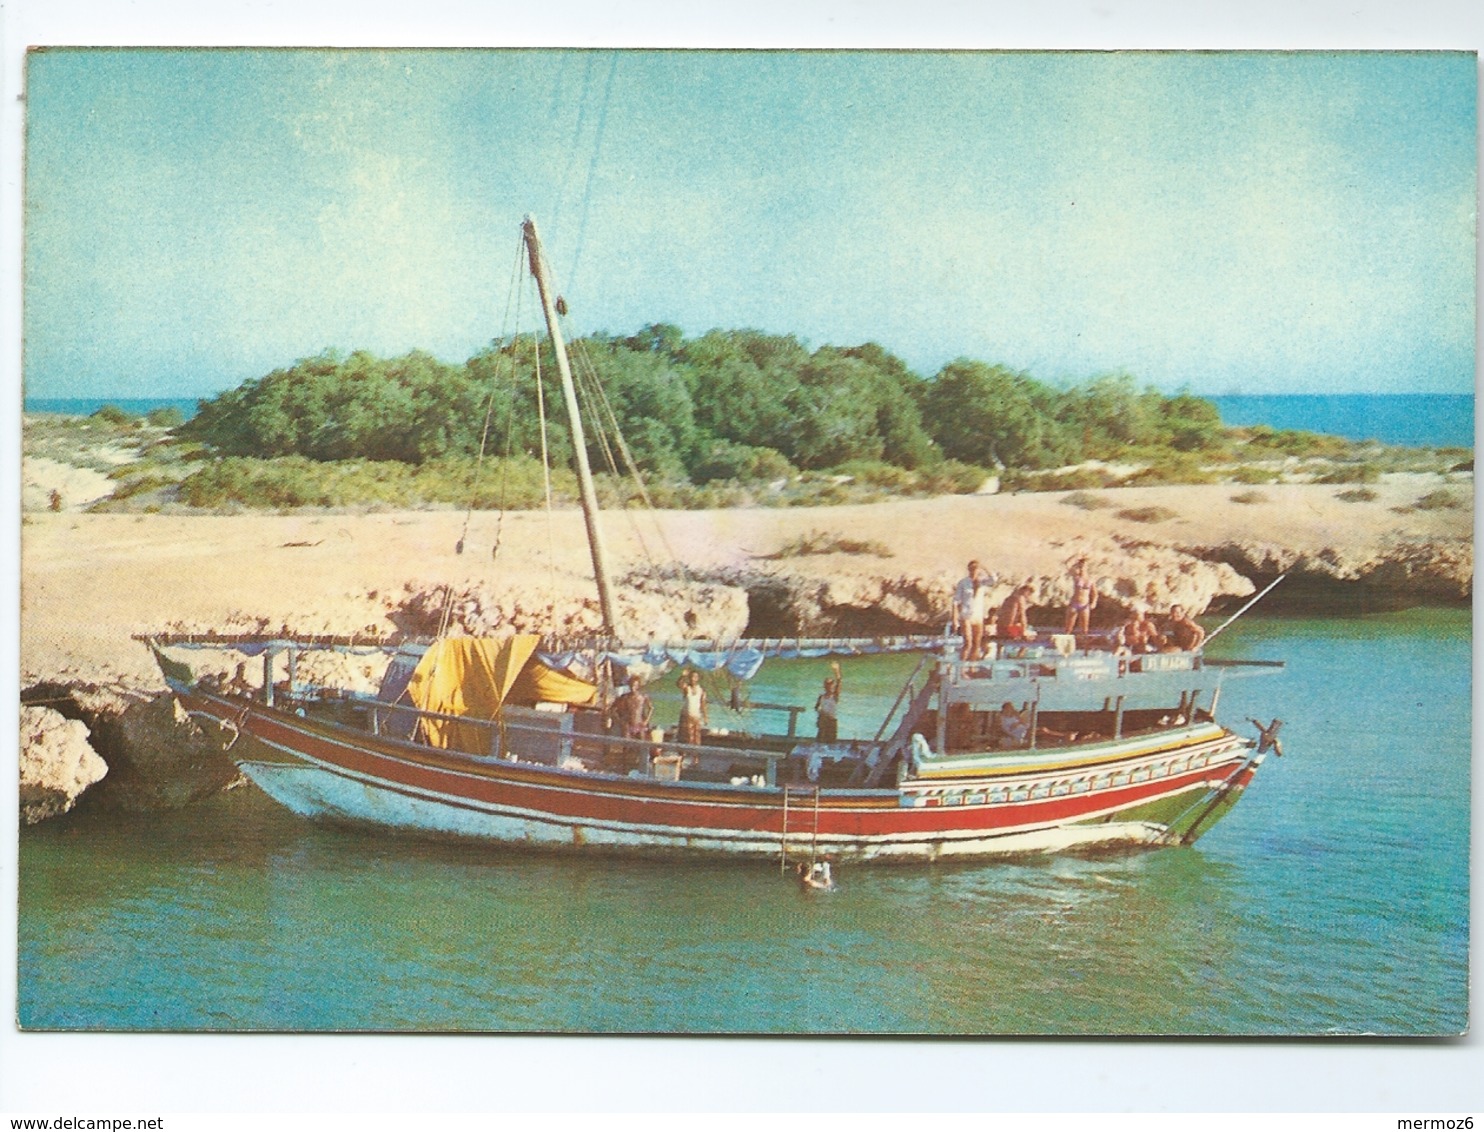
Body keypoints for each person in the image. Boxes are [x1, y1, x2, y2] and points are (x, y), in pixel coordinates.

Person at [952, 560, 993, 660]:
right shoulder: (963, 582)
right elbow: (955, 601)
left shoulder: (982, 581)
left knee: (977, 644)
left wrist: (984, 566)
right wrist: (955, 619)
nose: (974, 571)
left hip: (978, 616)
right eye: (972, 569)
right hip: (966, 615)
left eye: (975, 569)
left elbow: (993, 579)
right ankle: (961, 669)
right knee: (968, 644)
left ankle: (972, 668)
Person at [1064, 558, 1097, 634]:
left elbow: (1095, 593)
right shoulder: (1076, 577)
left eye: (1084, 566)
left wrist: (1094, 602)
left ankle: (1085, 644)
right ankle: (1066, 641)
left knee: (1085, 629)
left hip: (1085, 604)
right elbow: (1066, 564)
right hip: (1074, 603)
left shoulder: (1090, 579)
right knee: (1069, 628)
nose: (1082, 568)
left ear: (1087, 567)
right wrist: (1076, 556)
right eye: (1080, 566)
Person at [614, 675, 653, 740]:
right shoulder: (625, 697)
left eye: (634, 685)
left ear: (638, 686)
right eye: (631, 685)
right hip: (628, 725)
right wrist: (620, 721)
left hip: (639, 724)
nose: (632, 687)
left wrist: (646, 721)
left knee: (641, 744)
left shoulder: (643, 696)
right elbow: (614, 709)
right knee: (627, 745)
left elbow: (651, 708)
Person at [677, 669, 707, 746]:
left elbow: (703, 704)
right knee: (685, 737)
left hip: (696, 716)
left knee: (696, 737)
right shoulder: (687, 688)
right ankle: (683, 755)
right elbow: (679, 684)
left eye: (695, 677)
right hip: (686, 715)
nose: (693, 679)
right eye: (692, 677)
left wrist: (705, 717)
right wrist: (683, 676)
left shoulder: (701, 690)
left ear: (698, 678)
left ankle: (695, 756)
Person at [815, 661, 842, 743]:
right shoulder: (821, 697)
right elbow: (816, 707)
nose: (828, 686)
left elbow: (839, 681)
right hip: (823, 721)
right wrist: (821, 712)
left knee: (831, 742)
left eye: (830, 684)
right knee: (820, 741)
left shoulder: (834, 696)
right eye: (827, 684)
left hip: (831, 721)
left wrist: (837, 671)